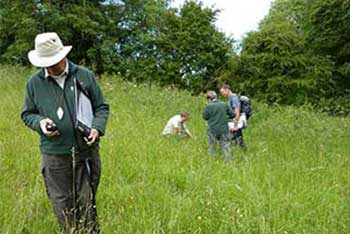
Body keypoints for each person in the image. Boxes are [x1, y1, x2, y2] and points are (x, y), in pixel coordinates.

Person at [21, 32, 109, 233]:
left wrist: (96, 128)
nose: (50, 67)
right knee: (62, 205)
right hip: (54, 155)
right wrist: (40, 122)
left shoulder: (84, 76)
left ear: (62, 55)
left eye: (54, 61)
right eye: (46, 63)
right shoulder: (34, 83)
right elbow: (27, 113)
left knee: (87, 204)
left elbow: (102, 108)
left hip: (85, 152)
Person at [202, 91, 234, 161]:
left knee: (212, 146)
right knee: (225, 146)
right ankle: (228, 162)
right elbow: (232, 115)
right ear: (216, 96)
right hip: (224, 129)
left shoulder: (208, 106)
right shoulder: (224, 104)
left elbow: (205, 117)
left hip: (212, 130)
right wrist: (225, 118)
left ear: (208, 98)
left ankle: (213, 161)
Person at [220, 84, 246, 149]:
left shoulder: (234, 98)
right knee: (237, 141)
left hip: (235, 124)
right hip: (233, 123)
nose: (222, 94)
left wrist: (235, 126)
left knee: (238, 141)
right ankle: (242, 154)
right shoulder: (230, 99)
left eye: (223, 92)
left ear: (227, 90)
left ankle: (243, 155)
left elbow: (237, 112)